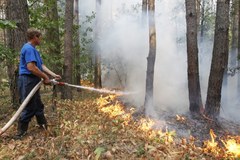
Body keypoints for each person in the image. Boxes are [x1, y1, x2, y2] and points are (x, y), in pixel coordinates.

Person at [16, 28, 61, 138]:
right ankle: (20, 133)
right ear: (35, 37)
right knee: (29, 106)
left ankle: (43, 126)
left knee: (38, 105)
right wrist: (45, 77)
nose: (41, 39)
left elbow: (41, 66)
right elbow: (31, 67)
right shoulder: (28, 49)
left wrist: (53, 74)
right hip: (27, 80)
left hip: (33, 80)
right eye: (39, 37)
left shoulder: (34, 50)